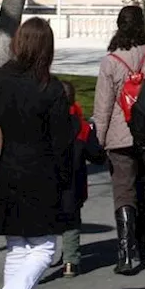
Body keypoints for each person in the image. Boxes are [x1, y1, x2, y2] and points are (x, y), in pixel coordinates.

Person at [0, 18, 75, 289]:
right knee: (45, 249)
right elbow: (63, 143)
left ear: (18, 43)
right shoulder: (50, 88)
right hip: (41, 173)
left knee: (17, 249)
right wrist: (67, 183)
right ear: (47, 48)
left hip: (5, 172)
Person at [92, 5, 145, 275]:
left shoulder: (111, 61)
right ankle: (141, 243)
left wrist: (99, 137)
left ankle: (126, 251)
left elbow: (103, 105)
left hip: (120, 133)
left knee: (124, 190)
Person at [60, 79, 104, 278]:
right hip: (73, 182)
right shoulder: (82, 127)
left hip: (46, 181)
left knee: (44, 221)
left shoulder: (41, 124)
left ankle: (38, 258)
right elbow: (96, 155)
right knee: (71, 220)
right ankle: (70, 260)